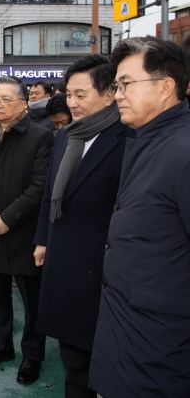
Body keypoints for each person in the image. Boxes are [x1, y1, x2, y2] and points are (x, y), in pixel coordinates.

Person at [88, 37, 190, 397]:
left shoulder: (182, 150)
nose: (116, 94)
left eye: (126, 84)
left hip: (160, 347)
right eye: (116, 85)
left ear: (165, 87)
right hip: (127, 335)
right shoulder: (145, 140)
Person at [33, 55, 128, 398]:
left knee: (98, 359)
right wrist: (43, 239)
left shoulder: (127, 138)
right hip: (62, 260)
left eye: (80, 94)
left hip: (100, 268)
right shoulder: (66, 135)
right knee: (72, 357)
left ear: (108, 94)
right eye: (68, 94)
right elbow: (50, 193)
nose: (71, 102)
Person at [0, 76, 54, 385]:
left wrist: (7, 219)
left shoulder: (42, 137)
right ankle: (1, 347)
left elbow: (40, 187)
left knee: (32, 302)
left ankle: (32, 355)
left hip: (24, 233)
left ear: (22, 105)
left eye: (5, 99)